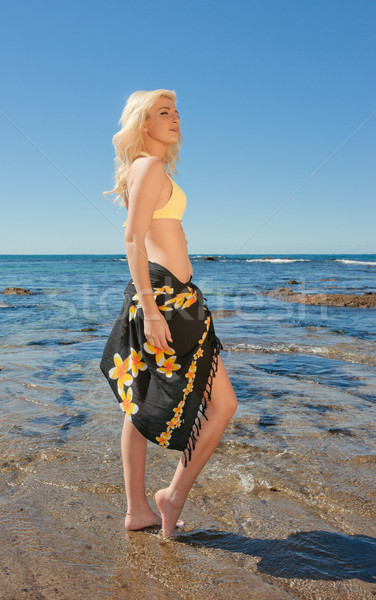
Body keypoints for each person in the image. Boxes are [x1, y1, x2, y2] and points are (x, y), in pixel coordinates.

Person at [100, 89, 238, 538]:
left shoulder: (153, 170)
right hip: (164, 298)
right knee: (223, 404)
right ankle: (170, 498)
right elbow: (133, 239)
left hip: (174, 296)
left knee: (139, 401)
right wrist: (154, 309)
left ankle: (139, 509)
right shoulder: (149, 165)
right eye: (164, 112)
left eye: (177, 112)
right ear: (144, 123)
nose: (175, 118)